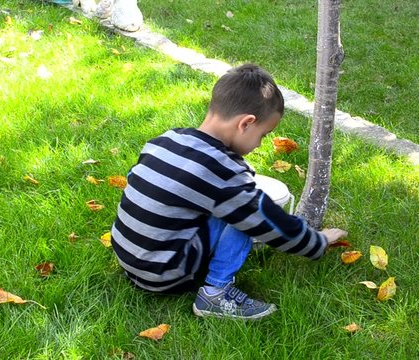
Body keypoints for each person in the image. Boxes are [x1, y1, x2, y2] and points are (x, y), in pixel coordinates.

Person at [110, 64, 348, 320]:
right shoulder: (223, 170)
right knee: (245, 212)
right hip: (166, 274)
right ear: (246, 123)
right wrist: (317, 241)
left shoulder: (167, 139)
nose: (259, 144)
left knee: (232, 201)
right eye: (264, 135)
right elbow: (266, 220)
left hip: (130, 261)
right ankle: (216, 292)